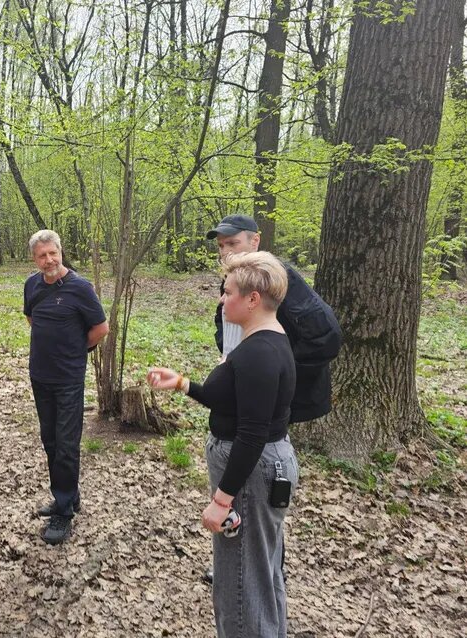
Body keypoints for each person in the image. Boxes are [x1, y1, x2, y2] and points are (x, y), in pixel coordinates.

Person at [148, 251, 300, 638]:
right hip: (255, 468)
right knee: (260, 571)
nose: (221, 298)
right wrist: (183, 384)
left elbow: (251, 432)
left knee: (241, 582)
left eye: (228, 291)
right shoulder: (263, 342)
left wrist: (222, 500)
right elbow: (233, 399)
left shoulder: (260, 353)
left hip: (250, 474)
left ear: (252, 299)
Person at [207, 214, 342, 422]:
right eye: (221, 245)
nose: (225, 251)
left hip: (281, 397)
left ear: (255, 241)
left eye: (233, 243)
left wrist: (279, 371)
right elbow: (224, 321)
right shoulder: (234, 277)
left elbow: (327, 334)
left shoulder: (275, 277)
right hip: (248, 387)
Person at [23, 230, 109, 545]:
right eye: (42, 255)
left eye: (53, 253)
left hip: (69, 378)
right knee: (50, 441)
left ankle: (63, 513)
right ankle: (67, 497)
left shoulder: (80, 288)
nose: (48, 260)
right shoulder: (31, 285)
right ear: (34, 258)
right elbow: (32, 318)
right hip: (40, 376)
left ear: (61, 252)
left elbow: (101, 328)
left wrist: (75, 350)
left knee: (67, 444)